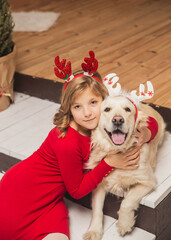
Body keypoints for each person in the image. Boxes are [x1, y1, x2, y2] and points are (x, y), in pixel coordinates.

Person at [0, 52, 158, 240]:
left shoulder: (104, 117)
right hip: (23, 191)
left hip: (52, 198)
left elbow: (144, 117)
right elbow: (76, 190)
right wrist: (109, 162)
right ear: (69, 109)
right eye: (77, 107)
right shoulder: (67, 141)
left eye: (93, 103)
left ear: (104, 100)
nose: (87, 113)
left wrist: (147, 133)